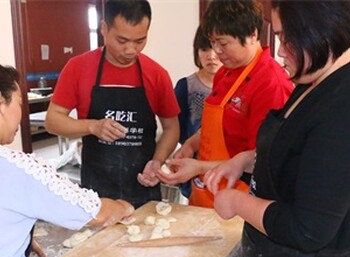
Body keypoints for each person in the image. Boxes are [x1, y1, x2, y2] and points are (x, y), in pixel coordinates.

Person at [204, 1, 350, 257]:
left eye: (287, 38)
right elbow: (295, 154)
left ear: (320, 28)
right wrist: (244, 159)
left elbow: (308, 228)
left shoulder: (342, 104)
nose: (280, 51)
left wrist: (238, 201)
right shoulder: (313, 79)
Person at [0, 64, 134, 257]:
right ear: (1, 104)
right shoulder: (15, 168)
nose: (20, 113)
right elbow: (95, 213)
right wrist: (125, 207)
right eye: (19, 102)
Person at [157, 0, 293, 208]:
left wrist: (198, 168)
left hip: (243, 200)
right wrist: (191, 144)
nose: (216, 51)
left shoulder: (270, 84)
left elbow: (263, 161)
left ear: (253, 35)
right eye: (213, 42)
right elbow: (216, 128)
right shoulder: (225, 73)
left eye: (223, 43)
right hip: (208, 192)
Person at [45, 0, 180, 209]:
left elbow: (172, 128)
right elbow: (53, 121)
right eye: (122, 40)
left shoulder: (157, 74)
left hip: (142, 189)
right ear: (104, 29)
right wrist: (92, 126)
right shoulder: (78, 68)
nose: (130, 50)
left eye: (140, 41)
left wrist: (157, 161)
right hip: (96, 191)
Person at [174, 25, 222, 198]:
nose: (211, 56)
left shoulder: (237, 87)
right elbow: (176, 129)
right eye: (204, 49)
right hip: (193, 168)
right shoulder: (185, 86)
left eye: (216, 48)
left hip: (227, 167)